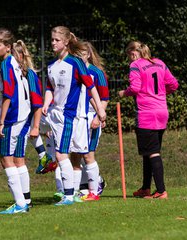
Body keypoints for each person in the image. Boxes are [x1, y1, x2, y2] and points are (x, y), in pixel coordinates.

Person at [42, 26, 106, 206]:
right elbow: (49, 88)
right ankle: (71, 192)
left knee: (62, 154)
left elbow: (90, 86)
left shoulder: (75, 63)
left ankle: (69, 195)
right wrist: (46, 103)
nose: (53, 43)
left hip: (69, 116)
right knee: (60, 152)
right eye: (52, 40)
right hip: (54, 114)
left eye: (57, 40)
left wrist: (100, 110)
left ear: (66, 42)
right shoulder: (51, 65)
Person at [118, 40, 178, 199]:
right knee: (148, 151)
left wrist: (124, 93)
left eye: (128, 55)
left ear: (133, 52)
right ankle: (145, 188)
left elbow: (136, 87)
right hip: (162, 111)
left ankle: (161, 190)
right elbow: (173, 84)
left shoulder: (136, 65)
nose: (129, 59)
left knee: (152, 152)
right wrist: (159, 94)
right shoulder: (160, 63)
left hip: (146, 113)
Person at [0, 28, 38, 214]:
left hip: (13, 119)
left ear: (7, 47)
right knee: (19, 160)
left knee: (6, 160)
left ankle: (20, 204)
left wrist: (0, 122)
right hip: (24, 117)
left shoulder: (7, 64)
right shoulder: (16, 63)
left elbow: (8, 95)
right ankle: (26, 200)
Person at [70, 41, 109, 202]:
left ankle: (95, 189)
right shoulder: (72, 71)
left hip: (91, 117)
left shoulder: (96, 73)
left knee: (88, 154)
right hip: (76, 118)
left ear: (88, 54)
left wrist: (97, 117)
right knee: (75, 155)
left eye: (82, 54)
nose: (79, 57)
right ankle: (74, 191)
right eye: (77, 54)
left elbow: (104, 98)